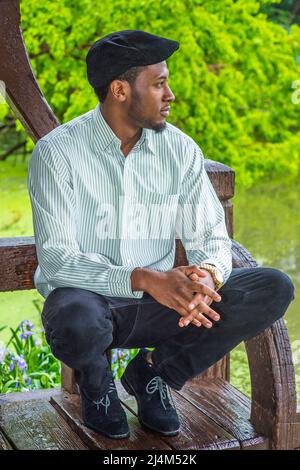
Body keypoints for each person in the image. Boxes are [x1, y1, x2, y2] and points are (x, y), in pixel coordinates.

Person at [27, 30, 295, 440]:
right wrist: (145, 278)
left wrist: (208, 273)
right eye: (158, 83)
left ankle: (154, 375)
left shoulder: (181, 150)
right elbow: (58, 259)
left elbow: (211, 234)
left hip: (161, 306)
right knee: (72, 315)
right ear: (119, 90)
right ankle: (97, 389)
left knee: (271, 286)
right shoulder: (57, 153)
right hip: (94, 305)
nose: (170, 94)